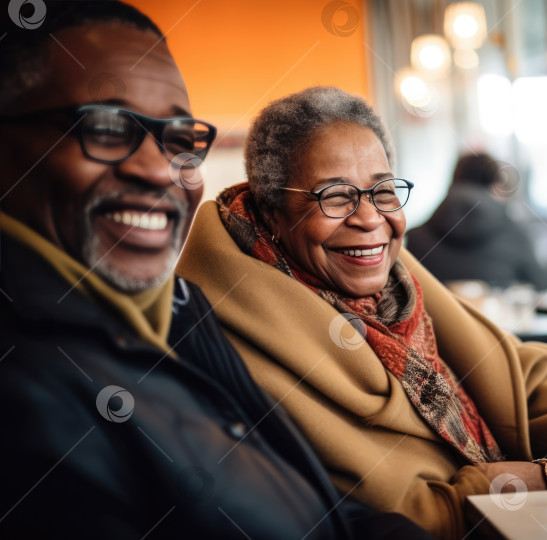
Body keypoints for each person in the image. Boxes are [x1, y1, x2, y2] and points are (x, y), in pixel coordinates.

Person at [0, 4, 429, 539]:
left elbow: (318, 509)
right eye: (107, 128)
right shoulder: (27, 381)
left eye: (179, 140)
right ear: (271, 213)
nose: (159, 167)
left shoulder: (177, 309)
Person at [176, 86, 547, 539]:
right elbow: (365, 516)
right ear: (272, 210)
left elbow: (519, 370)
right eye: (336, 196)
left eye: (383, 190)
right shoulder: (223, 326)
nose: (370, 218)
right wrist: (512, 484)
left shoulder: (388, 272)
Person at [406, 153, 547, 290]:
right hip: (498, 318)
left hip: (434, 319)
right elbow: (542, 282)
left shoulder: (414, 238)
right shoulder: (514, 232)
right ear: (494, 184)